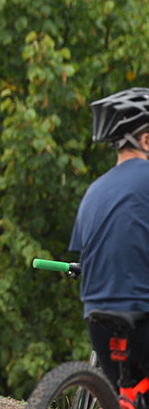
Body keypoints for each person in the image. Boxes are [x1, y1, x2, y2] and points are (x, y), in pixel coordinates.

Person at [69, 87, 149, 390]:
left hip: (99, 320)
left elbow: (87, 256)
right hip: (142, 318)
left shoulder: (95, 191)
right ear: (145, 140)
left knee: (128, 402)